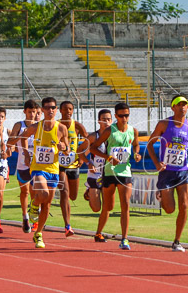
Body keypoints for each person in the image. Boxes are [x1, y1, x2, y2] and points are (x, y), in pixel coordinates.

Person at [146, 96, 188, 252]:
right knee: (169, 209)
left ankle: (177, 241)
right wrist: (156, 163)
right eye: (179, 105)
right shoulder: (164, 124)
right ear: (172, 108)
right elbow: (149, 144)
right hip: (167, 172)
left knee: (184, 205)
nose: (182, 108)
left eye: (185, 105)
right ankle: (161, 192)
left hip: (183, 171)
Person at [13, 96, 70, 249]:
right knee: (43, 194)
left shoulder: (61, 128)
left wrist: (64, 148)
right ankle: (33, 204)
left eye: (53, 108)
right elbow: (23, 138)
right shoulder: (36, 127)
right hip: (38, 168)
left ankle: (38, 234)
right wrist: (25, 153)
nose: (50, 110)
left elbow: (68, 149)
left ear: (56, 110)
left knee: (47, 204)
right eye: (47, 108)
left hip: (53, 169)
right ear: (42, 110)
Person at [89, 102, 141, 250]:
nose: (124, 118)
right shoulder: (109, 131)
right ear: (116, 116)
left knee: (125, 204)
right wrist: (108, 157)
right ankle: (98, 232)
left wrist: (137, 154)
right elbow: (93, 147)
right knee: (108, 206)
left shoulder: (133, 131)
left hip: (125, 172)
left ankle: (124, 239)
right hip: (110, 172)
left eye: (127, 115)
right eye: (121, 116)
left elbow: (136, 144)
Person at [57, 100, 90, 237]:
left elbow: (89, 142)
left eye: (70, 109)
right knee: (64, 192)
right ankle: (67, 225)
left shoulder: (77, 126)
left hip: (74, 164)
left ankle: (86, 193)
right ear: (61, 110)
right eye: (65, 109)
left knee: (73, 196)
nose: (68, 111)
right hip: (59, 164)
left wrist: (83, 157)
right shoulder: (56, 125)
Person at [7, 99, 41, 233]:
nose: (32, 114)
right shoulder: (19, 125)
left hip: (37, 164)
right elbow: (10, 142)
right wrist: (22, 135)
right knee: (25, 191)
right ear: (24, 112)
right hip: (22, 164)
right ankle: (25, 216)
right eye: (30, 112)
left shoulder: (39, 126)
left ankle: (34, 217)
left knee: (35, 192)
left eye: (34, 112)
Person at [83, 109, 112, 215]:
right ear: (99, 121)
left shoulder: (115, 136)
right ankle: (89, 191)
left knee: (108, 206)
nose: (106, 122)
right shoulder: (93, 137)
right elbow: (80, 152)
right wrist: (88, 163)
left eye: (109, 119)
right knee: (96, 208)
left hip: (109, 174)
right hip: (95, 174)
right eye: (104, 119)